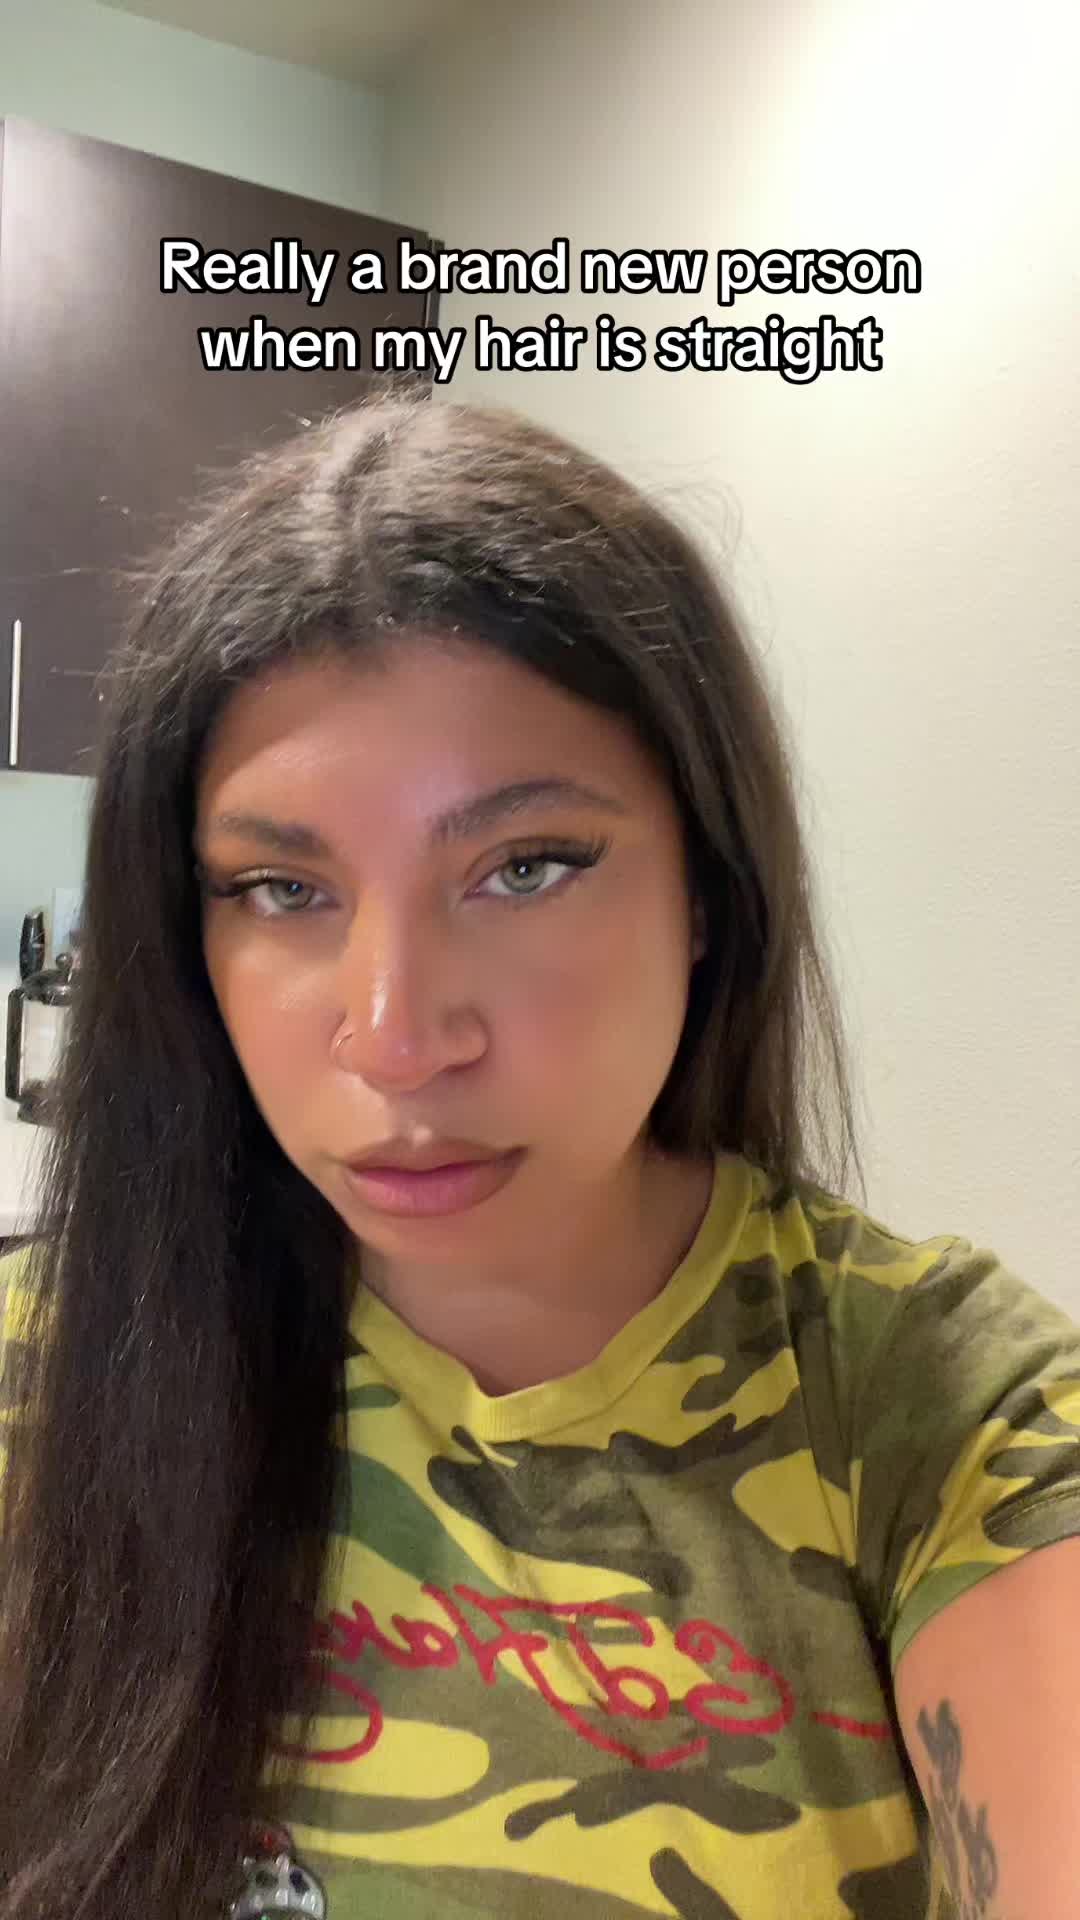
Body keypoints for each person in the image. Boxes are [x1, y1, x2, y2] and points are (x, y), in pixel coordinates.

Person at [0, 387, 1077, 1920]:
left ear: (705, 891)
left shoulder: (943, 1420)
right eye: (282, 889)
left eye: (525, 868)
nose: (396, 1037)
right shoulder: (50, 1383)